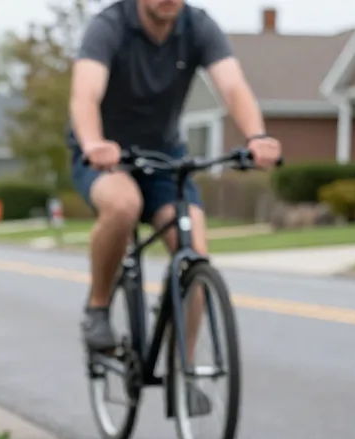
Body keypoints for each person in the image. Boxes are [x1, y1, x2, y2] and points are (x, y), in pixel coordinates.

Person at [69, 0, 282, 358]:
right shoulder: (109, 26)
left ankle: (183, 366)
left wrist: (256, 136)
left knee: (194, 254)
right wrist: (93, 142)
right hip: (107, 156)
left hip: (165, 158)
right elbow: (85, 94)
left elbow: (232, 87)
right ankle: (98, 308)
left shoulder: (198, 26)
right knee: (123, 206)